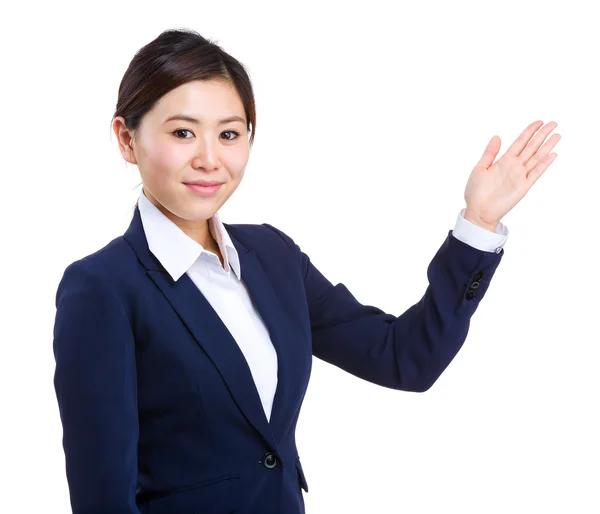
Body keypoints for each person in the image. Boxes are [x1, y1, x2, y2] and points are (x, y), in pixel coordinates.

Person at [52, 28, 560, 514]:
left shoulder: (271, 256)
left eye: (229, 133)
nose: (210, 159)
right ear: (126, 139)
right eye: (183, 132)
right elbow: (103, 499)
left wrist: (479, 223)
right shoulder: (102, 288)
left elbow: (405, 357)